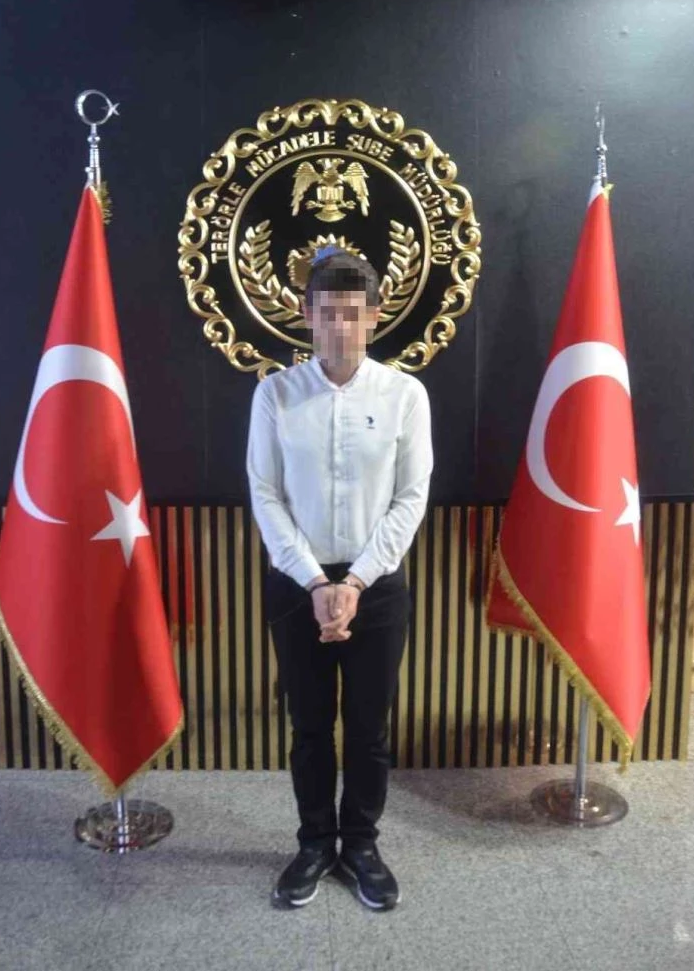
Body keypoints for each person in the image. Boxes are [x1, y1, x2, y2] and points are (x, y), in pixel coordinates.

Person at [245, 245, 434, 910]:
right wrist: (315, 582)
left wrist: (353, 583)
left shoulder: (405, 395)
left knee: (368, 727)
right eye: (327, 313)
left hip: (375, 587)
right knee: (308, 724)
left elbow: (410, 498)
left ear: (375, 316)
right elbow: (265, 494)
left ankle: (361, 845)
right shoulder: (275, 394)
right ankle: (314, 843)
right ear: (306, 314)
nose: (339, 328)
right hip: (296, 586)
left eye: (352, 314)